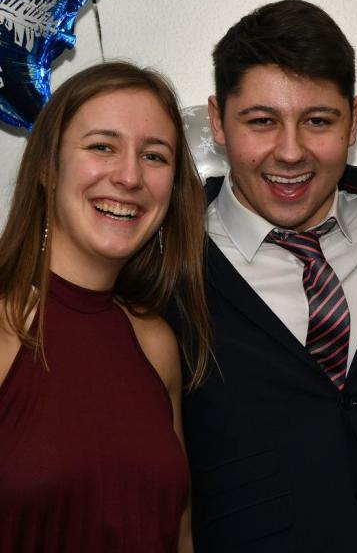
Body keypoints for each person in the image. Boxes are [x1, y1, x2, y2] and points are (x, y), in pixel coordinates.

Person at [178, 0, 357, 553]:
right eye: (261, 122)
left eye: (318, 121)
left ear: (354, 120)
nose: (291, 152)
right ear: (218, 120)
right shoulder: (167, 261)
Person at [0, 62, 212, 553]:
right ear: (47, 169)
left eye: (154, 156)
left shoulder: (154, 342)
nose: (130, 176)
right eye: (102, 147)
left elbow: (181, 538)